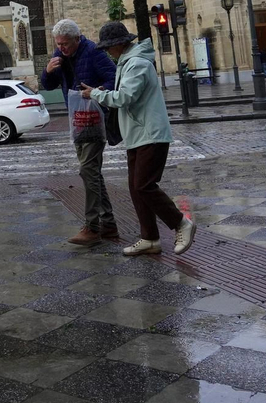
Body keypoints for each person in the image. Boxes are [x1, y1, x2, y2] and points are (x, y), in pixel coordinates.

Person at [81, 21, 196, 257]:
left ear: (120, 44)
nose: (107, 52)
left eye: (108, 47)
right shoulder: (128, 63)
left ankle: (181, 223)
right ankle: (149, 238)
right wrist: (103, 92)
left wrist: (95, 93)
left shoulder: (137, 63)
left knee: (144, 185)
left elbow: (125, 98)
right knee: (136, 188)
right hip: (138, 135)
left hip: (150, 134)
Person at [40, 18, 119, 246]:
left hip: (95, 119)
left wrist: (96, 91)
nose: (61, 48)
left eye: (65, 44)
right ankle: (109, 223)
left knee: (87, 169)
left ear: (77, 38)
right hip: (77, 120)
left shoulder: (93, 51)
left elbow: (114, 78)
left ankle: (93, 226)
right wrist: (48, 72)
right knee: (92, 171)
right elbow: (50, 85)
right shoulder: (60, 54)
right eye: (58, 44)